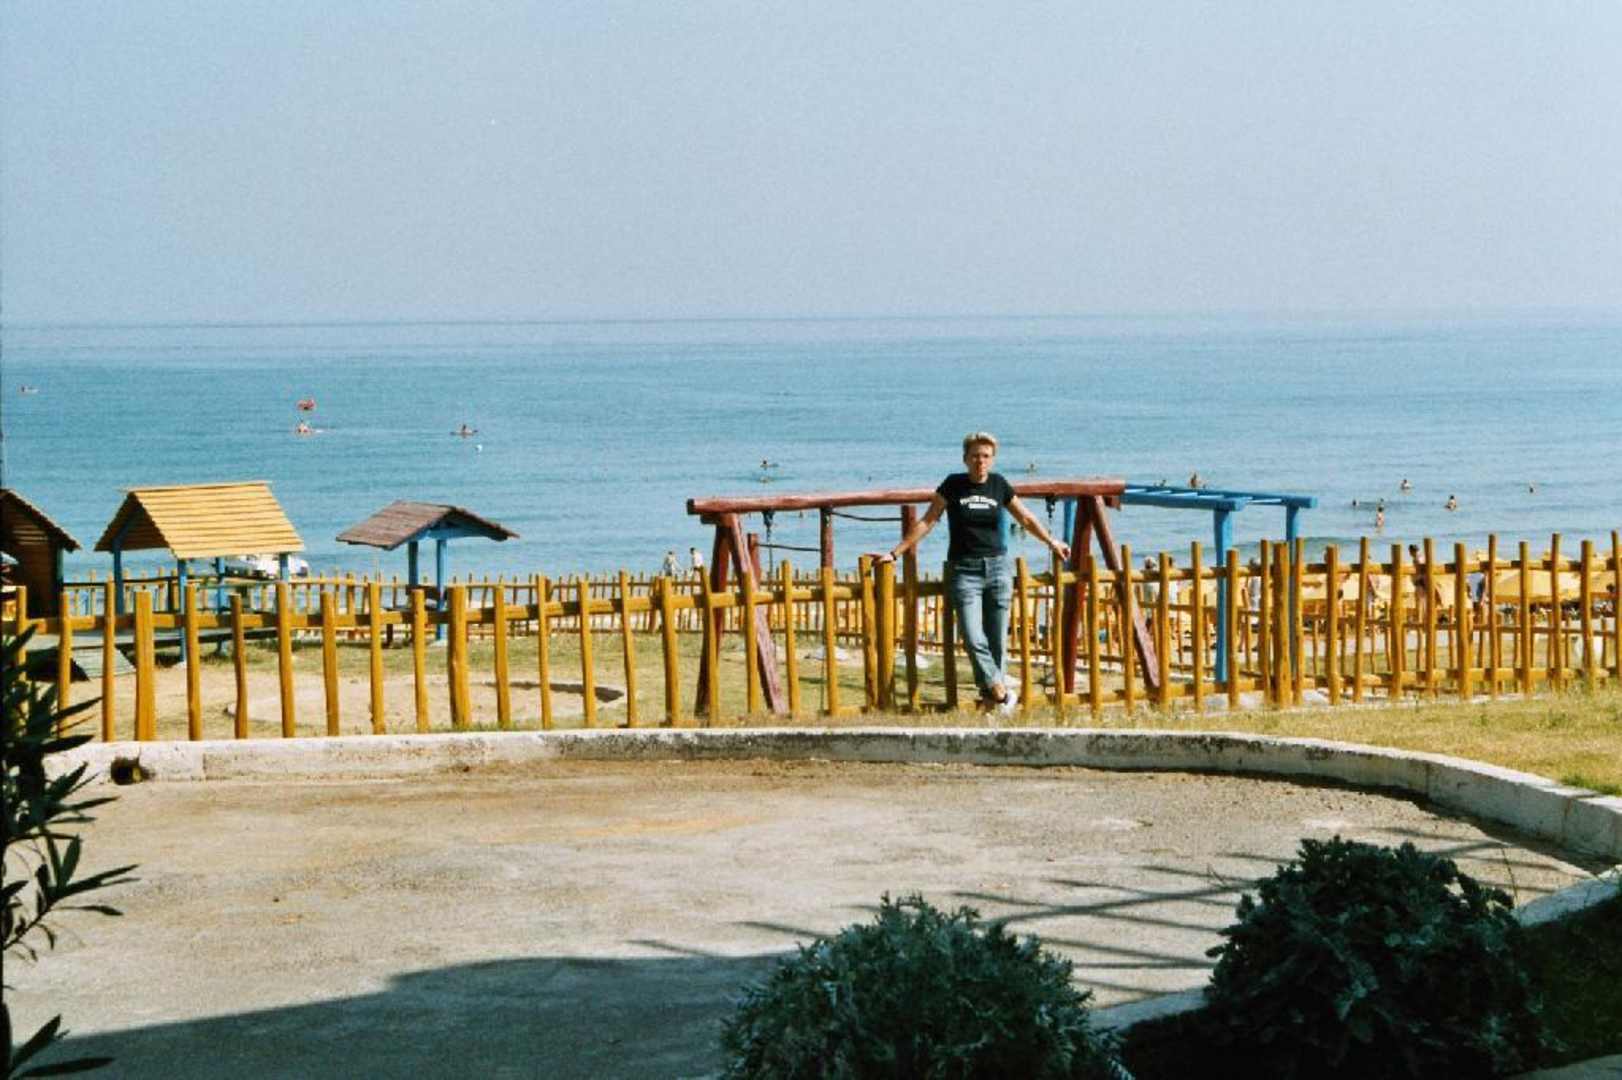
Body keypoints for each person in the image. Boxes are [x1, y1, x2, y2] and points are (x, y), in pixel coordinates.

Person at [873, 431, 1070, 715]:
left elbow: (1026, 518)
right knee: (973, 636)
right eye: (975, 455)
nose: (980, 461)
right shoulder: (953, 485)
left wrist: (1052, 542)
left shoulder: (999, 485)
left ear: (993, 459)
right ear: (965, 458)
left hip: (998, 569)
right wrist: (895, 552)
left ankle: (993, 709)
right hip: (964, 571)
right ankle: (1001, 692)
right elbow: (928, 520)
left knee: (997, 641)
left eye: (986, 456)